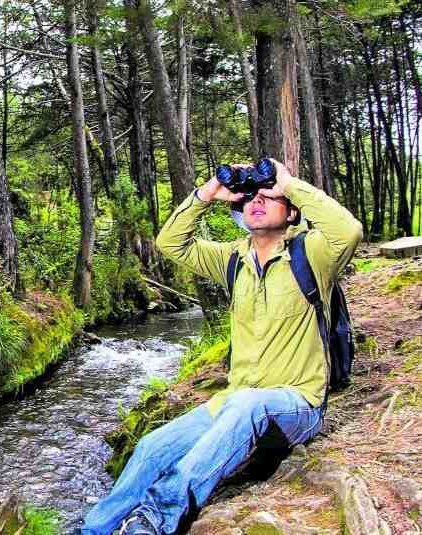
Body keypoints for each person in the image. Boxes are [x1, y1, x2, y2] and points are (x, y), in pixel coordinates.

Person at [81, 159, 363, 535]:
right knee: (151, 446)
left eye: (269, 197)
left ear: (292, 213)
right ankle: (94, 528)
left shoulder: (311, 254)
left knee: (248, 404)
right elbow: (170, 243)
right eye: (249, 199)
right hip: (234, 402)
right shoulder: (233, 259)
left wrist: (288, 183)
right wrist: (209, 191)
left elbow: (349, 231)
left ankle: (159, 517)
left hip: (296, 404)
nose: (256, 203)